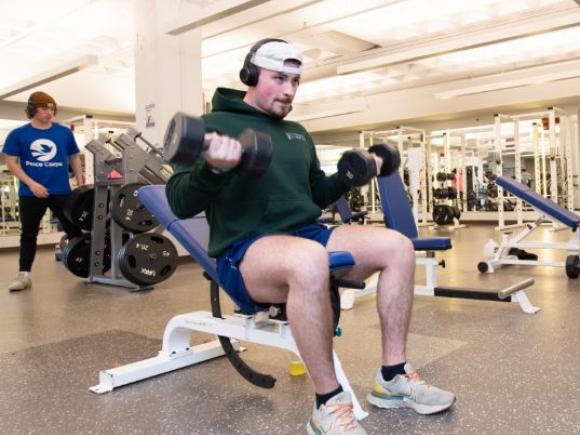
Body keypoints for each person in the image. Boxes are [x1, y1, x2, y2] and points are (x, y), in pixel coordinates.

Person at [166, 39, 455, 434]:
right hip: (244, 250)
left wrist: (348, 175)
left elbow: (315, 193)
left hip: (309, 234)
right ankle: (327, 404)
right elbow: (179, 201)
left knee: (397, 246)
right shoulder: (217, 125)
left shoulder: (298, 133)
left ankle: (392, 376)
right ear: (251, 75)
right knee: (307, 258)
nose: (289, 90)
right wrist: (213, 169)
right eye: (279, 78)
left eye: (296, 80)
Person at [3, 91, 84, 292]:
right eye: (44, 108)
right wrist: (32, 184)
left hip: (61, 191)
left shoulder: (64, 133)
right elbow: (11, 163)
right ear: (32, 109)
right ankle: (24, 276)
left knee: (75, 230)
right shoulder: (18, 135)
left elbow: (74, 158)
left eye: (52, 108)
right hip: (31, 192)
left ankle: (89, 267)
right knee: (29, 234)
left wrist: (81, 184)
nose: (49, 112)